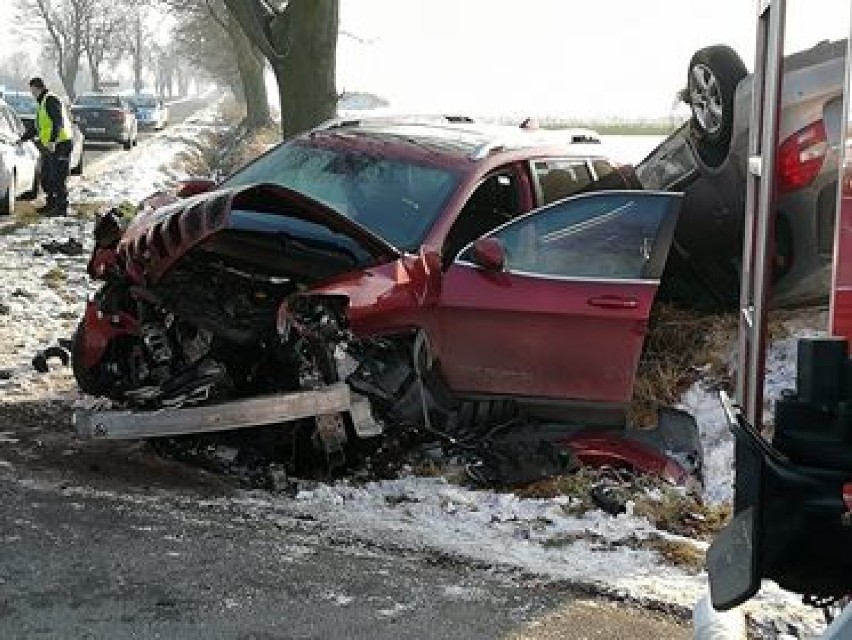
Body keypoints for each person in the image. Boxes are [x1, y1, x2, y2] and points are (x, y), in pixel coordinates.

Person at [19, 77, 73, 216]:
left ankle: (61, 208)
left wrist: (53, 141)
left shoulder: (50, 100)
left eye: (32, 91)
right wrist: (23, 139)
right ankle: (51, 204)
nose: (32, 94)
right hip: (51, 145)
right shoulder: (42, 102)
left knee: (58, 177)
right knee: (47, 177)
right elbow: (37, 127)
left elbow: (58, 121)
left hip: (60, 143)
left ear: (37, 88)